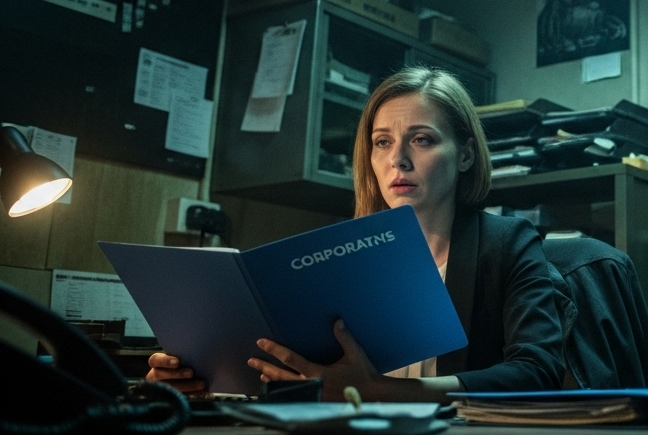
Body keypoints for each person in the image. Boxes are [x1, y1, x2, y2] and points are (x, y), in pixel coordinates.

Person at [147, 66, 565, 401]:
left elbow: (537, 371)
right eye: (382, 142)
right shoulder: (340, 256)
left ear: (466, 155)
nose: (397, 160)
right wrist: (201, 376)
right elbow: (311, 378)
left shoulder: (507, 243)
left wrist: (386, 392)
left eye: (421, 139)